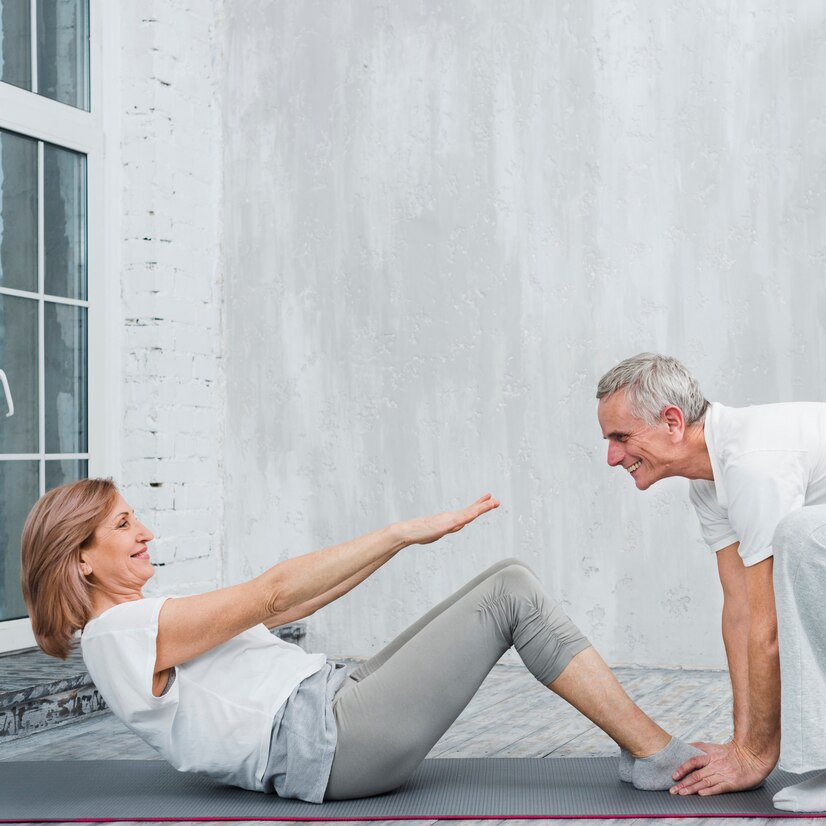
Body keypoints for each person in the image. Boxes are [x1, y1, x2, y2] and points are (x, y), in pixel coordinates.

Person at [22, 478, 700, 803]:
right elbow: (271, 594)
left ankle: (642, 749)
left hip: (334, 711)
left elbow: (297, 601)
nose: (144, 534)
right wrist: (401, 532)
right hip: (335, 741)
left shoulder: (139, 626)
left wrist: (402, 544)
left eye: (137, 518)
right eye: (122, 525)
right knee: (513, 592)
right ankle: (659, 756)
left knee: (501, 581)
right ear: (80, 558)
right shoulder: (118, 634)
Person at [596, 352, 826, 812]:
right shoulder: (709, 481)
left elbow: (770, 629)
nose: (612, 456)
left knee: (798, 538)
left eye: (621, 437)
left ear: (673, 421)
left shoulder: (751, 465)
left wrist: (757, 756)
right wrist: (742, 743)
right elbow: (741, 612)